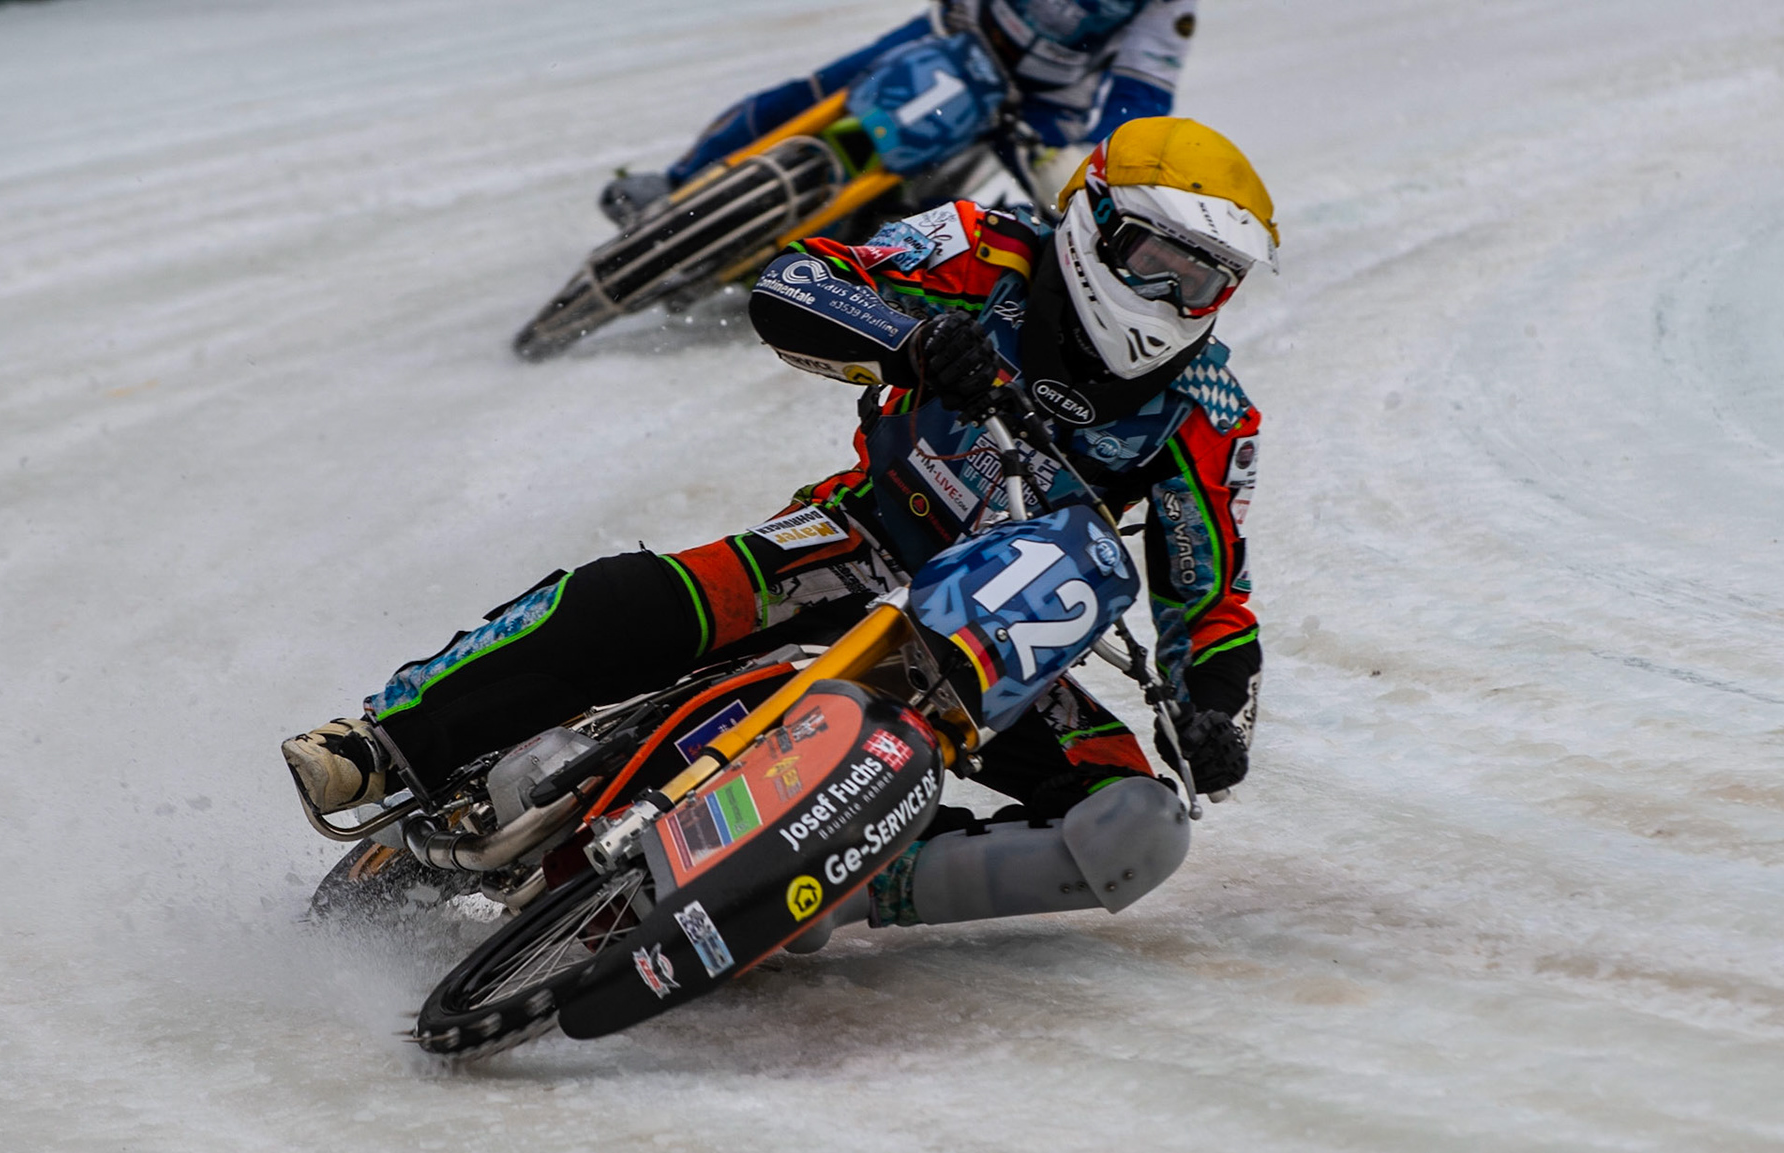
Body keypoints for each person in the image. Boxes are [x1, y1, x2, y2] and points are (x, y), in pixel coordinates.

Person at [286, 116, 1274, 938]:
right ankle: (385, 740)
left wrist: (1213, 720)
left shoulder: (1209, 412)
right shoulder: (985, 248)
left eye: (1206, 281)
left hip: (1000, 640)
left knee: (1136, 828)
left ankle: (832, 891)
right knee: (640, 599)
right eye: (1157, 260)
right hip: (862, 538)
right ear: (1092, 221)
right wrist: (910, 340)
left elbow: (1211, 598)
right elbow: (798, 281)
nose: (1174, 300)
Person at [599, 0, 1201, 224]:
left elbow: (1142, 91)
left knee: (1068, 215)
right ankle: (678, 182)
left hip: (1039, 105)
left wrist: (1112, 164)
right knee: (811, 93)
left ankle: (921, 265)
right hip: (953, 33)